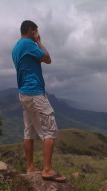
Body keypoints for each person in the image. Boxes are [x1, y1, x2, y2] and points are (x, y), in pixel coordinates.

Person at [12, 20, 66, 182]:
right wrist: (39, 41)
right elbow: (48, 59)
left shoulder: (15, 47)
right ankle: (47, 169)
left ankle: (30, 167)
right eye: (36, 30)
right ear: (30, 30)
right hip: (35, 92)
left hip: (24, 93)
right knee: (50, 129)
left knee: (29, 130)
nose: (37, 32)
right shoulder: (29, 44)